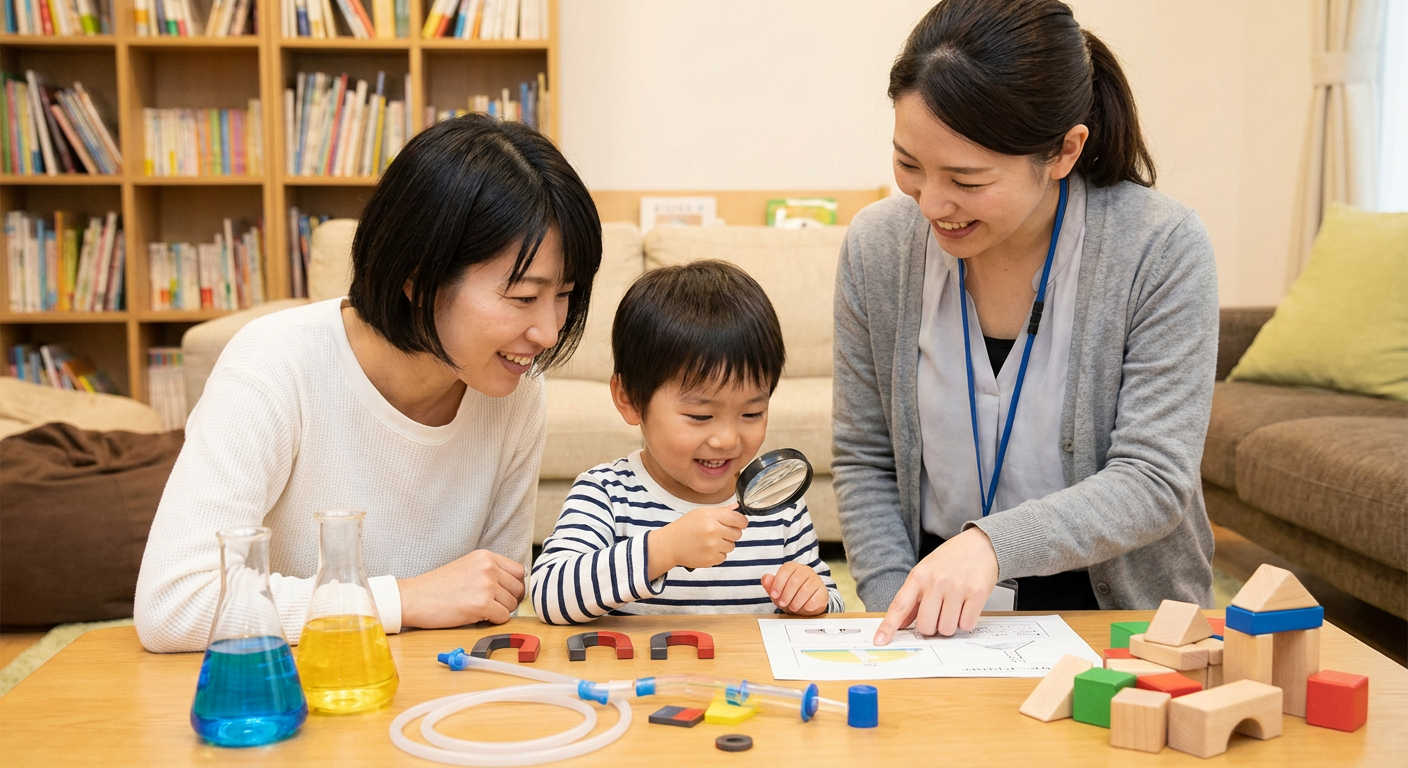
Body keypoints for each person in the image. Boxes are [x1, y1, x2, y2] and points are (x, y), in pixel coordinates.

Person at [134, 114, 602, 652]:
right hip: (287, 683)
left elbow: (492, 601)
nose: (548, 332)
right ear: (417, 279)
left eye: (563, 295)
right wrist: (401, 599)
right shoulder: (274, 363)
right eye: (522, 297)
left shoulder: (515, 392)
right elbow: (174, 601)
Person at [833, 0, 1219, 646]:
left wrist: (990, 545)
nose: (932, 203)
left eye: (966, 179)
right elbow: (865, 458)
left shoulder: (1160, 246)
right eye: (909, 165)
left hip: (1119, 616)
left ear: (1065, 151)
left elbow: (1153, 478)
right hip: (935, 609)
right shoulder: (879, 248)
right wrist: (894, 611)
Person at [530, 260, 844, 623]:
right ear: (629, 399)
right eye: (700, 416)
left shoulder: (777, 500)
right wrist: (664, 549)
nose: (726, 439)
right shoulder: (607, 495)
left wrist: (814, 597)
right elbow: (549, 595)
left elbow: (831, 604)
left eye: (752, 413)